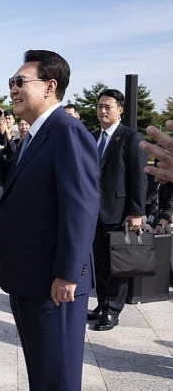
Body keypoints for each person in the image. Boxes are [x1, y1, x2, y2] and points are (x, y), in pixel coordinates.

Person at [0, 50, 99, 391]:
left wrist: (68, 273)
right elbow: (16, 182)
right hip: (29, 274)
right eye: (11, 83)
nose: (12, 89)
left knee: (56, 374)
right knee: (41, 370)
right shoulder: (36, 133)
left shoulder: (66, 131)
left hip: (53, 281)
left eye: (19, 82)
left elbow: (81, 207)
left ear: (49, 86)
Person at [87, 89, 147, 331]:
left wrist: (136, 212)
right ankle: (102, 304)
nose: (102, 110)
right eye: (100, 106)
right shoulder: (92, 137)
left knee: (117, 264)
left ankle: (113, 311)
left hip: (120, 211)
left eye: (108, 106)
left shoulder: (131, 137)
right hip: (93, 212)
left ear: (120, 109)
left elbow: (139, 178)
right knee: (100, 262)